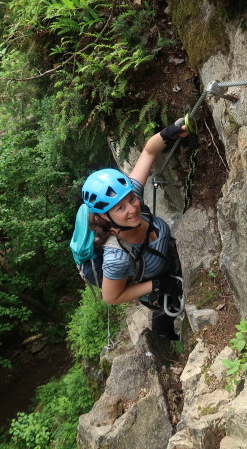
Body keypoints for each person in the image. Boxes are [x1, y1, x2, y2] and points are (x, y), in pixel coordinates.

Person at [81, 118, 188, 339]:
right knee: (164, 315)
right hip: (159, 285)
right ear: (104, 215)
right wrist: (156, 284)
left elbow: (149, 152)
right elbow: (111, 297)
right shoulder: (117, 257)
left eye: (132, 199)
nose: (132, 208)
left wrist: (169, 132)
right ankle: (165, 343)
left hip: (170, 261)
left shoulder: (130, 196)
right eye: (121, 207)